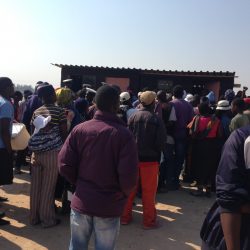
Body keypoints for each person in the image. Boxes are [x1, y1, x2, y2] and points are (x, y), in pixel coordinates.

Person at [58, 85, 138, 250]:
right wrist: (123, 193)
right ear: (116, 106)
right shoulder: (124, 135)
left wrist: (79, 183)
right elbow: (129, 177)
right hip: (109, 205)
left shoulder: (79, 129)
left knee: (77, 246)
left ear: (95, 103)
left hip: (81, 201)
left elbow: (64, 164)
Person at [121, 91, 166, 229]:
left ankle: (124, 217)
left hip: (133, 160)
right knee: (148, 192)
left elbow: (127, 139)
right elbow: (161, 142)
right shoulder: (156, 119)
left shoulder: (133, 116)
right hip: (151, 161)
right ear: (153, 103)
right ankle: (149, 221)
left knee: (130, 190)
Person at [200, 125, 250, 250]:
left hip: (204, 147)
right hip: (236, 232)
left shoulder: (239, 135)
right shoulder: (242, 138)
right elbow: (229, 199)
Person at [29, 84, 67, 228]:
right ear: (52, 95)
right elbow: (64, 133)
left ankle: (34, 217)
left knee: (36, 187)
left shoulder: (36, 111)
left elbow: (34, 132)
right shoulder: (59, 111)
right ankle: (47, 220)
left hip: (36, 153)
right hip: (51, 154)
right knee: (48, 188)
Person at [188, 103, 221, 197]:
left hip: (200, 146)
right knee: (210, 167)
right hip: (212, 146)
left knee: (199, 167)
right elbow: (220, 134)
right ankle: (208, 190)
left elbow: (192, 134)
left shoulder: (197, 118)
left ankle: (199, 189)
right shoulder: (216, 120)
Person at [170, 85, 194, 190]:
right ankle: (175, 180)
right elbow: (191, 122)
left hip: (170, 135)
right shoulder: (188, 106)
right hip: (183, 135)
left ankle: (167, 179)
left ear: (173, 94)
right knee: (179, 159)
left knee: (168, 158)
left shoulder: (171, 104)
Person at [0, 77, 15, 226]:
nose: (13, 88)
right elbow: (4, 130)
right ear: (5, 88)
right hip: (1, 147)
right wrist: (10, 149)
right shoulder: (5, 104)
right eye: (11, 86)